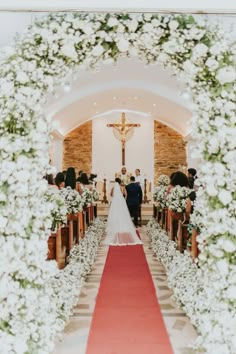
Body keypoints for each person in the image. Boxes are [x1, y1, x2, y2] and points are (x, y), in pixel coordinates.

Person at [103, 178, 142, 246]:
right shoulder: (122, 187)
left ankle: (115, 225)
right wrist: (124, 199)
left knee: (115, 213)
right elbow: (126, 194)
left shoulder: (113, 187)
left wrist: (115, 196)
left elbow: (111, 194)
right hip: (121, 201)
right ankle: (123, 225)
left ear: (115, 181)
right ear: (120, 182)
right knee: (122, 213)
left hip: (115, 202)